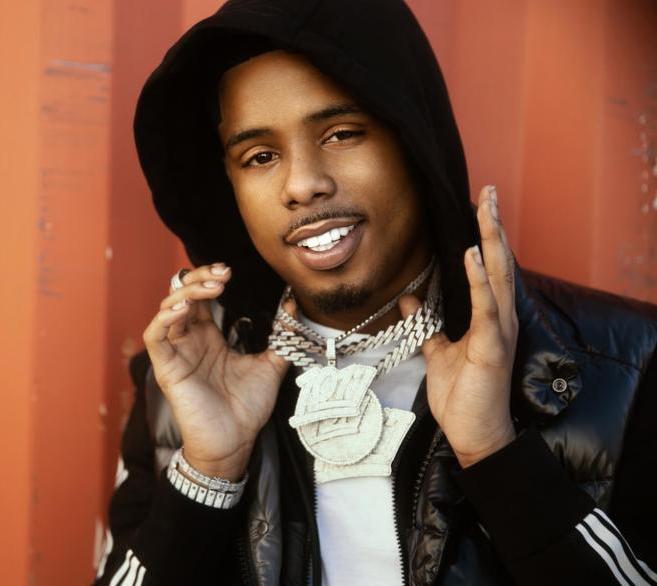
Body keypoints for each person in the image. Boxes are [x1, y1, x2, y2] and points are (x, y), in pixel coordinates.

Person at [93, 1, 657, 584]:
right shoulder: (180, 387)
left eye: (342, 134)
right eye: (259, 156)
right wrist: (208, 471)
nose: (302, 184)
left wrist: (495, 454)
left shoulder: (628, 365)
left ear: (415, 141)